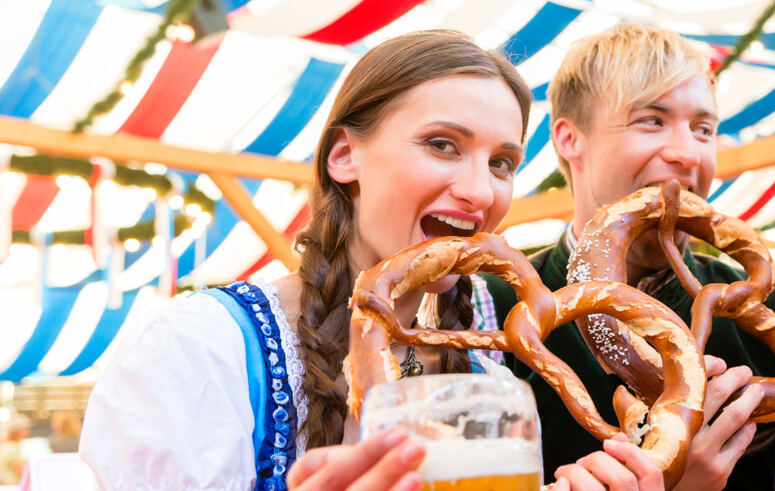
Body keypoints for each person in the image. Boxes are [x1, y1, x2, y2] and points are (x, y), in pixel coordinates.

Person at [82, 30, 663, 491]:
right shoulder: (204, 351)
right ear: (344, 156)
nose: (481, 193)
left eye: (502, 162)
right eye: (442, 145)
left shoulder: (485, 362)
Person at [473, 23, 775, 491]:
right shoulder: (485, 310)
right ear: (569, 138)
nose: (687, 154)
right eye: (651, 120)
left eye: (703, 129)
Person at [0, 412, 31, 485]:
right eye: (26, 429)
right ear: (18, 430)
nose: (28, 431)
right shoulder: (13, 448)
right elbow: (21, 471)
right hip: (13, 485)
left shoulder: (6, 445)